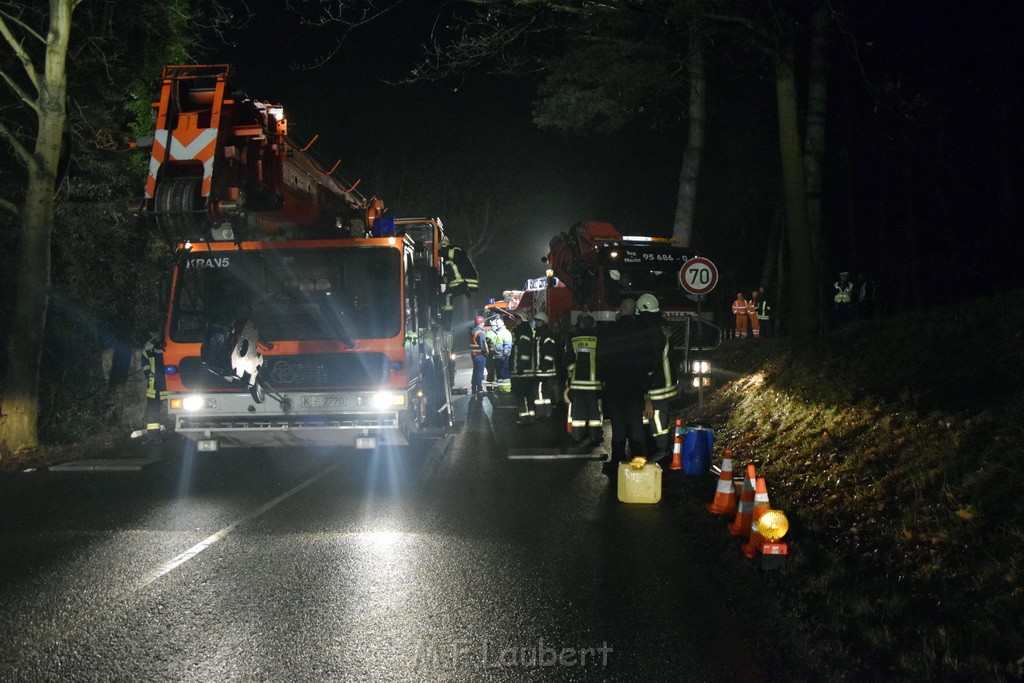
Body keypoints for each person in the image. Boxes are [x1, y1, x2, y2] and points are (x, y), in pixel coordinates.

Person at [598, 298, 650, 477]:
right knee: (636, 424)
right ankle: (639, 465)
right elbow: (646, 361)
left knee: (618, 426)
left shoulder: (609, 331)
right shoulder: (641, 332)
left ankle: (617, 464)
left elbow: (601, 358)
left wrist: (603, 380)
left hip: (614, 387)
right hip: (635, 387)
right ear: (634, 311)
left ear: (620, 310)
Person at [635, 294, 678, 459]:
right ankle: (654, 446)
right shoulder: (660, 328)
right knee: (650, 417)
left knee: (658, 417)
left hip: (658, 384)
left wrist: (645, 385)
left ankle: (663, 449)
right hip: (663, 381)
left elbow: (651, 363)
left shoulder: (652, 333)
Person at [565, 313, 603, 446]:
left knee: (578, 411)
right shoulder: (599, 339)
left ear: (581, 324)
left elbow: (569, 360)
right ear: (593, 324)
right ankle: (594, 437)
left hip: (577, 383)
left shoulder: (574, 339)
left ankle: (577, 436)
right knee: (594, 412)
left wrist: (571, 377)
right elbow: (602, 361)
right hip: (594, 384)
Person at [439, 236, 479, 328]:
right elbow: (449, 275)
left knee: (447, 297)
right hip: (462, 282)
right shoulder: (448, 260)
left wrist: (444, 244)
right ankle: (445, 322)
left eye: (439, 244)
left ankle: (446, 324)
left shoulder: (454, 249)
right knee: (444, 297)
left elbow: (449, 253)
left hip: (464, 282)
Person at [141, 329, 168, 442]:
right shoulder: (148, 348)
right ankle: (154, 437)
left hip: (168, 385)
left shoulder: (168, 344)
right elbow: (145, 364)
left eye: (156, 332)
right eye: (152, 333)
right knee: (152, 413)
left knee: (176, 411)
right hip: (155, 386)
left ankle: (183, 436)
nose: (154, 335)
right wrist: (149, 374)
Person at [511, 312, 537, 424]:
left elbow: (525, 353)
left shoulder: (523, 333)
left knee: (521, 396)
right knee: (529, 396)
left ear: (523, 320)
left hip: (523, 372)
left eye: (517, 319)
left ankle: (524, 418)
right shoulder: (522, 332)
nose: (515, 321)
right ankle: (531, 417)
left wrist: (520, 367)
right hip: (524, 371)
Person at [532, 312, 558, 418]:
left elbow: (549, 353)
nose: (536, 323)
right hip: (539, 369)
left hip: (545, 370)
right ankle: (547, 412)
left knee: (540, 391)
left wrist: (544, 366)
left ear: (543, 322)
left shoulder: (547, 335)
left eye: (538, 321)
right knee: (544, 391)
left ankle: (542, 412)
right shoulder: (538, 334)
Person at [469, 315, 490, 395]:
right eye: (483, 323)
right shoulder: (480, 333)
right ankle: (479, 388)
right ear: (481, 323)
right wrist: (486, 353)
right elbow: (483, 345)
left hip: (474, 354)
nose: (484, 324)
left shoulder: (473, 331)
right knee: (479, 372)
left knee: (475, 371)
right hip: (480, 355)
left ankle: (474, 387)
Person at [492, 316, 513, 393]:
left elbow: (507, 345)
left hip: (503, 357)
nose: (498, 324)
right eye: (497, 323)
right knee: (499, 375)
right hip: (497, 357)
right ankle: (501, 389)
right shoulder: (498, 333)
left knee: (505, 374)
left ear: (503, 323)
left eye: (499, 322)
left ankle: (507, 390)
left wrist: (505, 355)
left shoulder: (505, 332)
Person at [484, 318, 499, 388]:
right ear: (492, 326)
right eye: (495, 326)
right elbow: (487, 344)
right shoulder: (488, 334)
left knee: (495, 371)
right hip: (490, 355)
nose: (496, 327)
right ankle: (489, 387)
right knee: (491, 371)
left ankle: (495, 386)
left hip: (495, 354)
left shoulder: (496, 333)